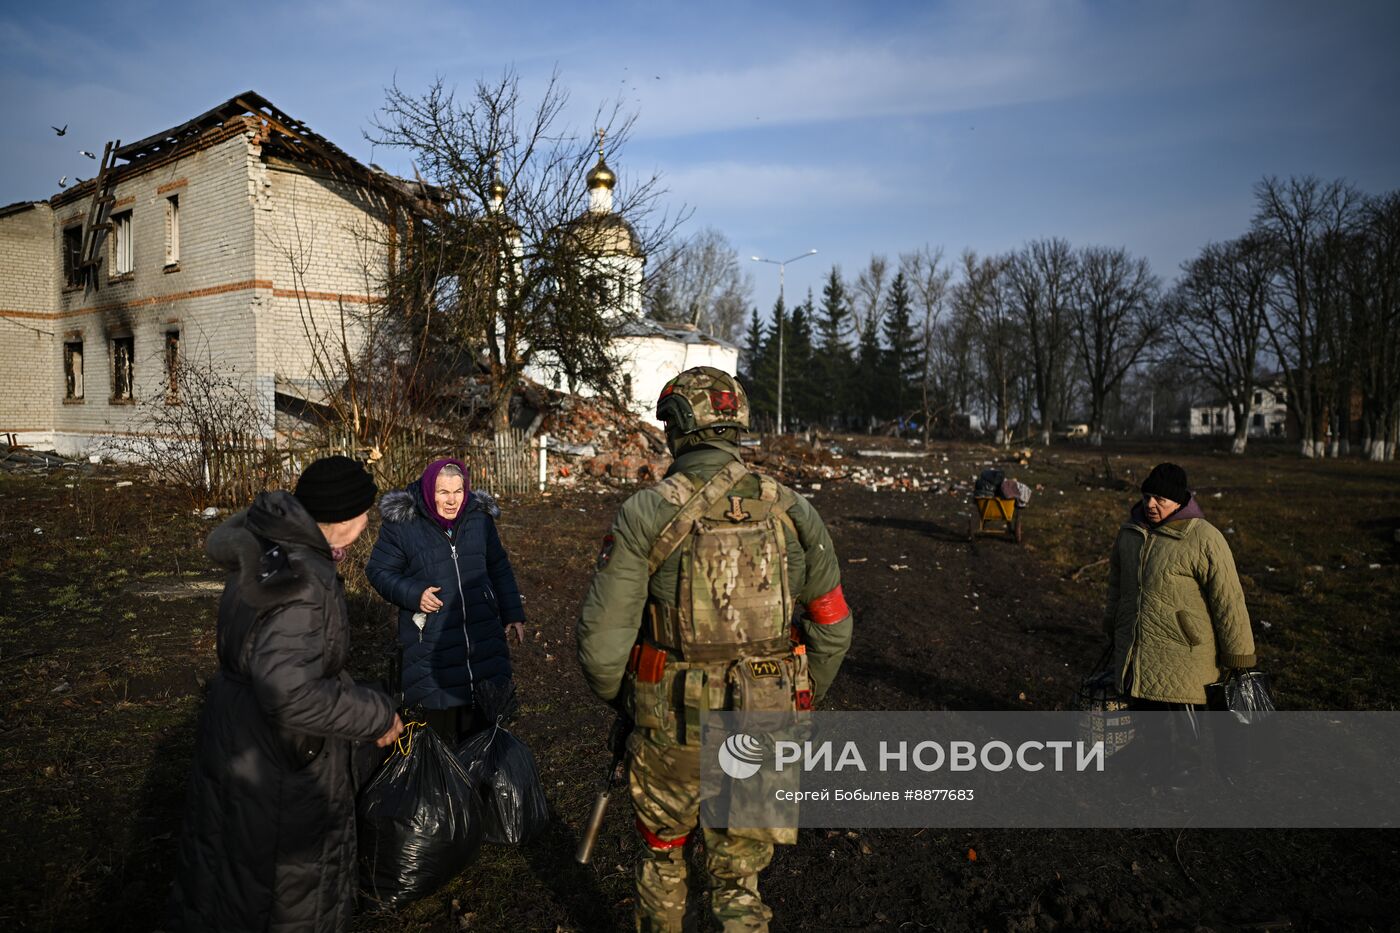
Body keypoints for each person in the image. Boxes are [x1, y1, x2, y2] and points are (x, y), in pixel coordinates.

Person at [577, 366, 853, 932]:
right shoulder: (795, 511)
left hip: (671, 728)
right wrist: (791, 695)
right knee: (740, 877)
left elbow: (602, 649)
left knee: (662, 856)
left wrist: (633, 704)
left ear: (677, 428)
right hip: (765, 725)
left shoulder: (646, 512)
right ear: (736, 427)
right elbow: (833, 625)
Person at [169, 455, 404, 933]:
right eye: (365, 512)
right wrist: (377, 714)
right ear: (343, 520)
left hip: (242, 740)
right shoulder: (305, 581)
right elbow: (289, 689)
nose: (367, 521)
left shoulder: (270, 550)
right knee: (289, 896)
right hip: (281, 763)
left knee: (230, 885)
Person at [1102, 462, 1257, 781]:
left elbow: (1229, 600)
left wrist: (1238, 656)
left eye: (1161, 498)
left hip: (1185, 653)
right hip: (1139, 647)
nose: (1151, 504)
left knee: (1185, 724)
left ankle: (1188, 773)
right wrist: (1113, 623)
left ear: (1180, 501)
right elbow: (1117, 583)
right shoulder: (1131, 533)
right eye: (1147, 497)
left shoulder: (1204, 538)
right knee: (1146, 715)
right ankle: (1158, 765)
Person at [366, 458, 525, 744]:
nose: (452, 501)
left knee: (484, 730)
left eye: (458, 491)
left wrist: (513, 612)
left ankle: (478, 783)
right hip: (432, 642)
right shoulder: (404, 525)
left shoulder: (478, 518)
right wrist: (414, 594)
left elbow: (498, 564)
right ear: (429, 491)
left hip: (482, 635)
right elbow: (378, 570)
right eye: (443, 492)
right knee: (439, 736)